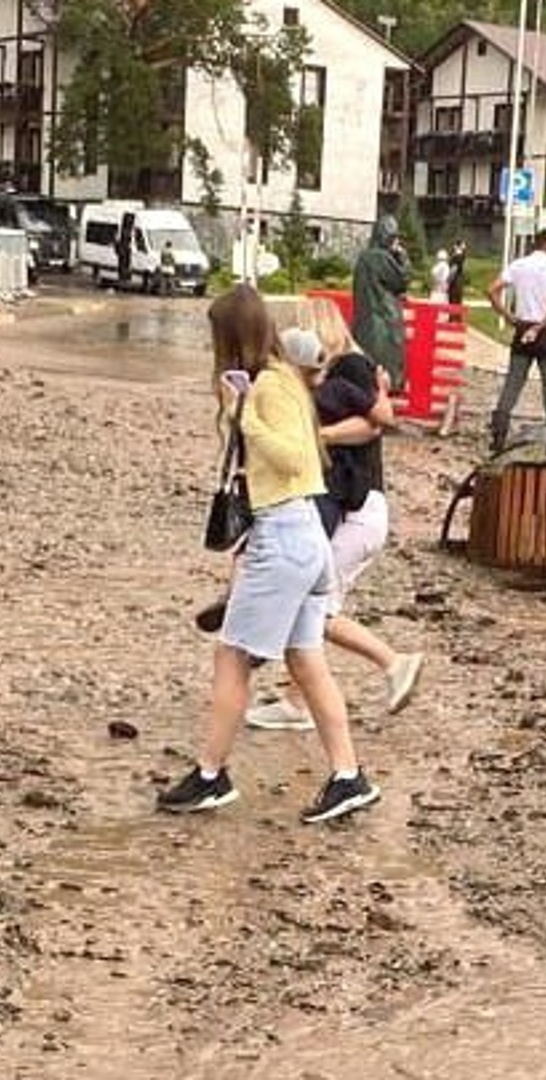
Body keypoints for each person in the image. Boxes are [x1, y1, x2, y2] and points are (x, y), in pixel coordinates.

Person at [157, 285, 381, 824]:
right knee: (305, 658)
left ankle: (211, 775)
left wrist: (245, 416)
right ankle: (348, 776)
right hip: (301, 534)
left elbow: (294, 455)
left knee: (233, 655)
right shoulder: (282, 378)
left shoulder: (268, 389)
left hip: (283, 535)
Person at [247, 302, 425, 731]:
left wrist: (312, 435)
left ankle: (393, 662)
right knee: (310, 606)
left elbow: (376, 423)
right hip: (359, 509)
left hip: (359, 510)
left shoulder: (348, 369)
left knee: (318, 610)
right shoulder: (354, 370)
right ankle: (296, 701)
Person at [486, 228, 546, 452]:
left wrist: (508, 316)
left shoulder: (519, 265)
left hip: (521, 328)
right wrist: (541, 325)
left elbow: (491, 290)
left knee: (513, 383)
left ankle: (498, 435)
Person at [352, 216, 410, 392]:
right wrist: (402, 257)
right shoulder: (381, 257)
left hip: (365, 317)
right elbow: (402, 280)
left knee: (366, 358)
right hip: (384, 318)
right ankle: (388, 389)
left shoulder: (364, 257)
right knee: (386, 360)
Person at [446, 240, 468, 307]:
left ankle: (453, 316)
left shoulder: (457, 257)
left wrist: (448, 281)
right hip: (460, 279)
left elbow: (453, 269)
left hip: (455, 280)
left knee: (453, 300)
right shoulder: (463, 256)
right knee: (458, 301)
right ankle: (457, 316)